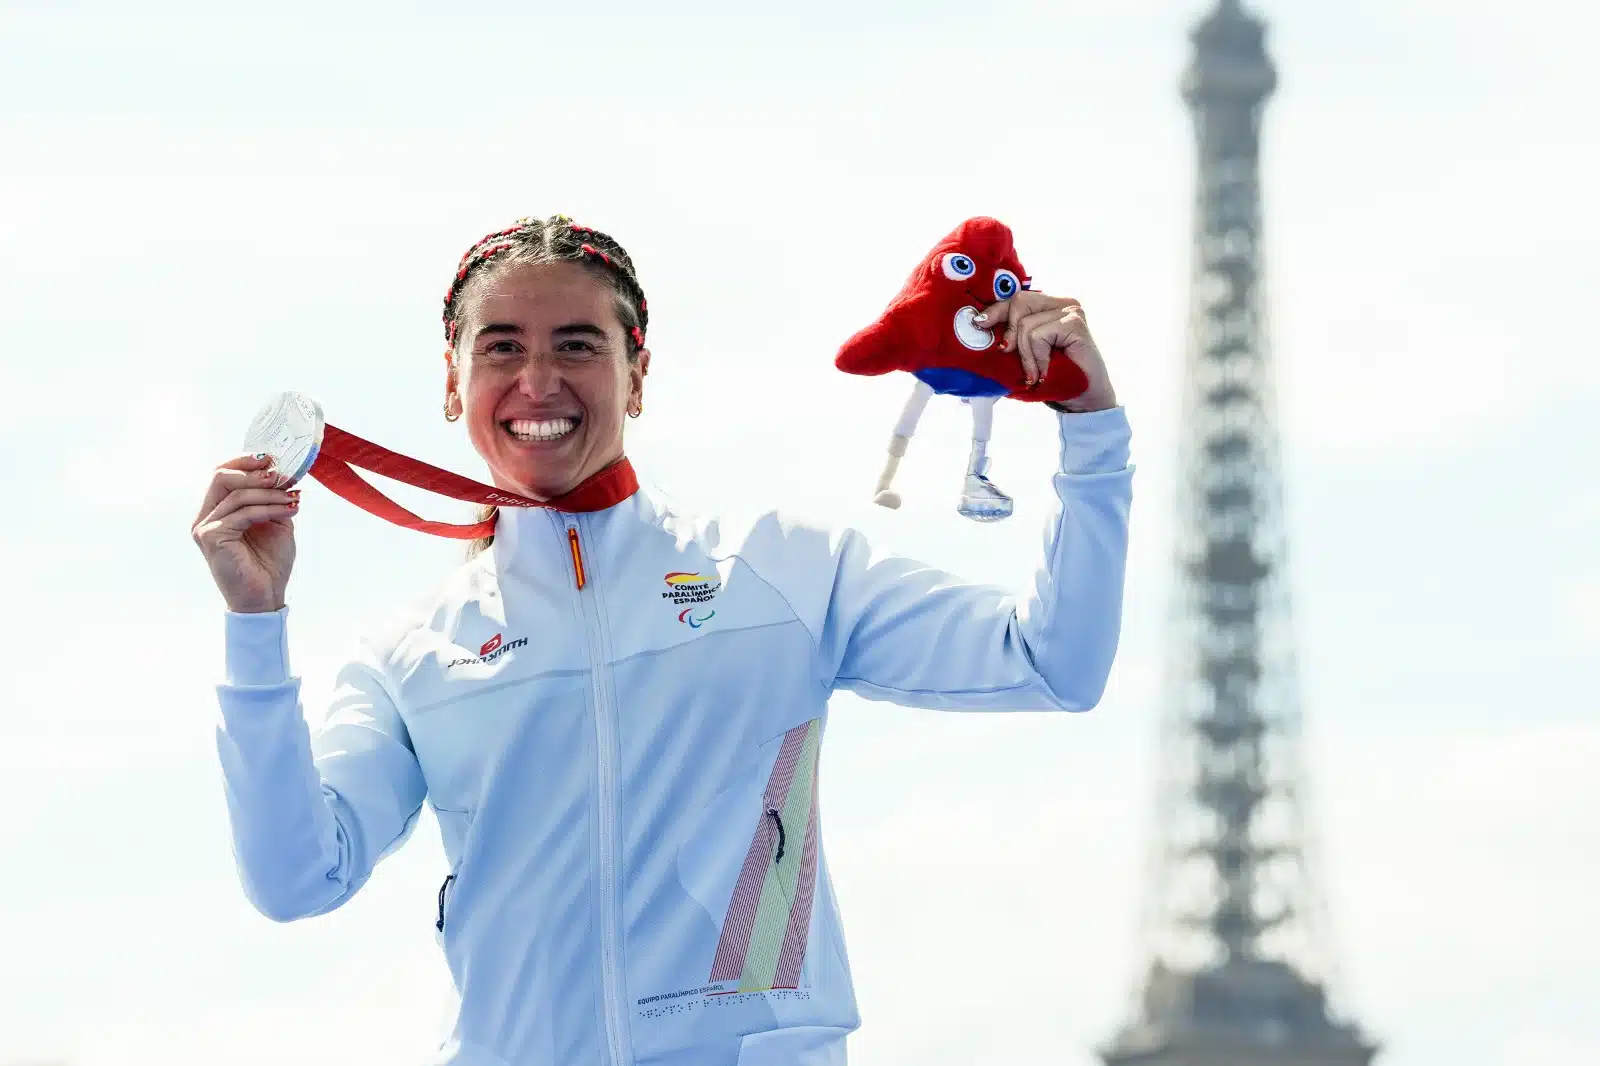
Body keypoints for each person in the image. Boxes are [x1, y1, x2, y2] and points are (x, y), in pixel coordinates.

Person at [192, 215, 1134, 1066]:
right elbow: (295, 878)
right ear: (454, 381)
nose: (538, 382)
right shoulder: (410, 654)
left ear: (638, 373)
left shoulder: (785, 571)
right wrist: (255, 625)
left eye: (578, 345)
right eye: (502, 348)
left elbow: (1054, 662)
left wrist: (1092, 434)